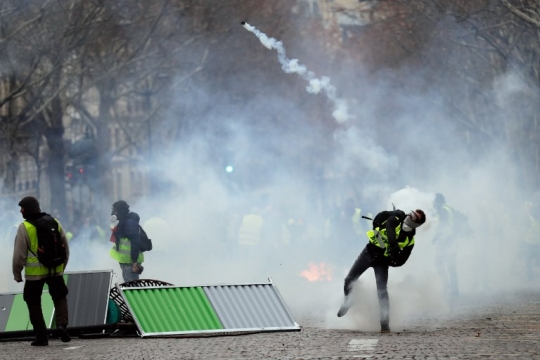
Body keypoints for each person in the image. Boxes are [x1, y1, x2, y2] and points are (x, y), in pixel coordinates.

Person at [337, 208, 426, 333]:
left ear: (417, 224)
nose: (410, 216)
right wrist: (393, 246)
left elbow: (402, 261)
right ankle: (348, 302)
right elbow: (389, 225)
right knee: (349, 280)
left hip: (382, 262)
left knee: (382, 291)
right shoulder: (397, 217)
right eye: (411, 213)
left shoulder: (409, 240)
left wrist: (393, 258)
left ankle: (385, 324)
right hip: (369, 252)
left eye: (414, 217)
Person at [12, 196, 71, 346]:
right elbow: (65, 247)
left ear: (28, 209)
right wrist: (61, 267)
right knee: (59, 296)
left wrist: (17, 273)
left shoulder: (25, 227)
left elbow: (19, 254)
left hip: (35, 274)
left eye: (22, 208)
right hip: (56, 269)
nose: (20, 211)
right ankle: (61, 326)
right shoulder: (54, 222)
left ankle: (41, 337)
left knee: (32, 301)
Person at [432, 193, 461, 297]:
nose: (434, 204)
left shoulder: (442, 210)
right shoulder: (449, 208)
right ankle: (455, 290)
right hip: (452, 239)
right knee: (451, 266)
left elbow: (442, 225)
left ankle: (447, 288)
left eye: (435, 202)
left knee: (439, 263)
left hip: (446, 240)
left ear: (438, 201)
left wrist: (435, 238)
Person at [109, 200, 144, 283]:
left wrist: (134, 261)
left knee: (131, 288)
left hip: (130, 262)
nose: (113, 212)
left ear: (120, 211)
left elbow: (135, 241)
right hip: (128, 261)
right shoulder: (125, 222)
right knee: (132, 286)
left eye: (115, 210)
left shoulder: (129, 222)